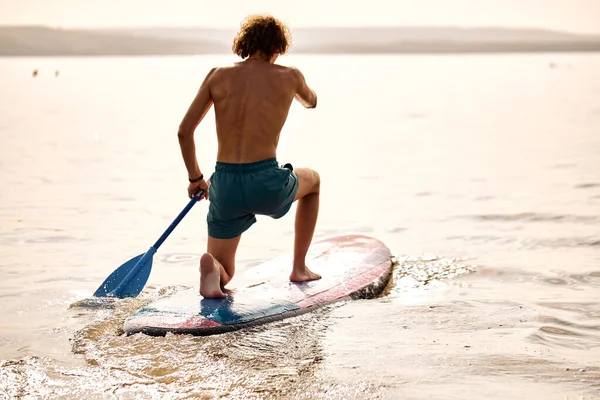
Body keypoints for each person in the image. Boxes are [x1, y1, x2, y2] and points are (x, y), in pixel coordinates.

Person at [177, 14, 321, 298]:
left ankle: (214, 270)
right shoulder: (290, 76)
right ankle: (299, 267)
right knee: (313, 181)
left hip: (225, 184)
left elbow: (184, 132)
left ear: (244, 44)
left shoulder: (217, 75)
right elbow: (311, 101)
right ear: (277, 48)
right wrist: (297, 87)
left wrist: (196, 178)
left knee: (227, 270)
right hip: (265, 181)